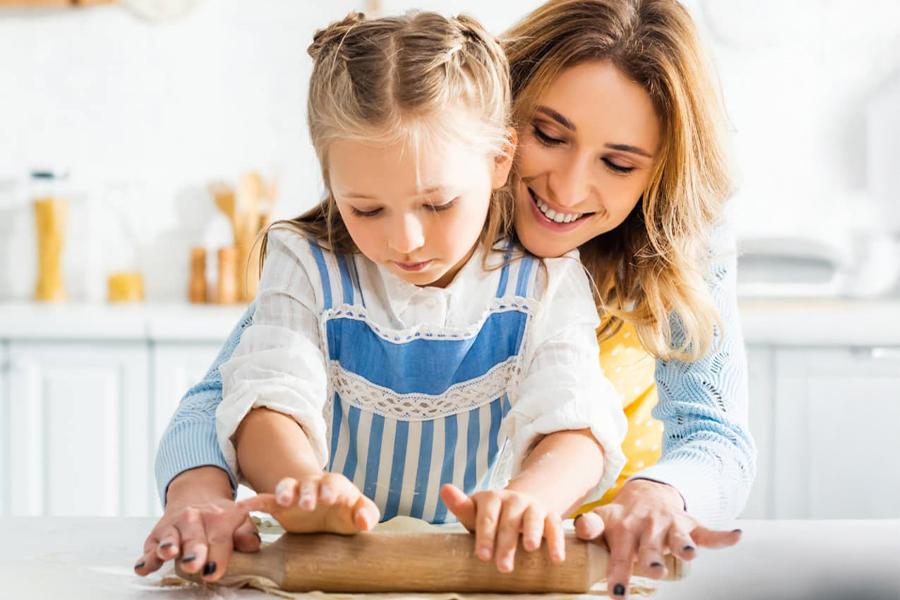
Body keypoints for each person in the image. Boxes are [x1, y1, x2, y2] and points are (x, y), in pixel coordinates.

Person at [139, 1, 756, 597]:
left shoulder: (671, 243)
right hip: (364, 553)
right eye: (548, 134)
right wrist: (201, 498)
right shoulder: (385, 219)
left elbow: (713, 434)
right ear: (501, 134)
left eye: (619, 163)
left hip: (584, 546)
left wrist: (659, 494)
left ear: (660, 173)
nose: (566, 189)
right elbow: (236, 394)